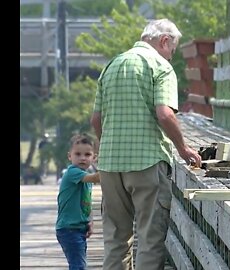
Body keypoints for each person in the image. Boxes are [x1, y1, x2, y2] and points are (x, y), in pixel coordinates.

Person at [90, 18, 202, 270]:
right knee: (150, 240)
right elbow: (165, 114)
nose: (171, 57)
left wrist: (107, 147)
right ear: (164, 41)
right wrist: (183, 148)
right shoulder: (160, 66)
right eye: (172, 51)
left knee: (116, 241)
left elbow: (96, 119)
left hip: (110, 166)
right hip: (147, 163)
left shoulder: (112, 65)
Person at [55, 134, 100, 270]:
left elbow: (86, 202)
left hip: (79, 228)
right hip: (69, 229)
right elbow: (96, 178)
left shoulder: (85, 178)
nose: (82, 158)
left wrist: (90, 221)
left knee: (78, 264)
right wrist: (110, 166)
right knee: (78, 265)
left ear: (94, 157)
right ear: (70, 156)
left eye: (87, 154)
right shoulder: (73, 172)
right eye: (78, 154)